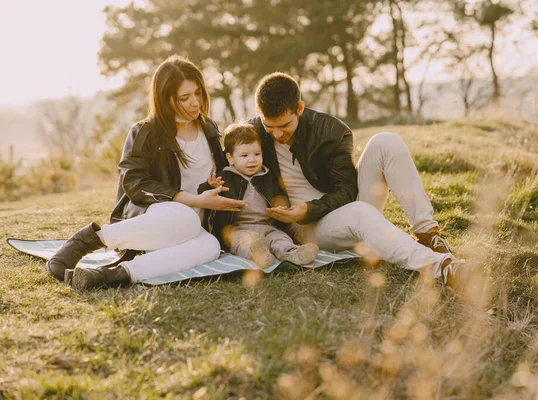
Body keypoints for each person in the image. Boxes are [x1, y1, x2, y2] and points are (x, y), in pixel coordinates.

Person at [248, 72, 467, 288]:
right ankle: (443, 267)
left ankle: (427, 234)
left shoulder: (331, 131)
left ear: (300, 109)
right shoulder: (253, 133)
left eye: (284, 126)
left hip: (336, 207)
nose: (277, 134)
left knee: (386, 141)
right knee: (361, 212)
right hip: (303, 228)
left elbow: (347, 189)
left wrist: (309, 208)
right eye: (270, 127)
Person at [46, 55, 247, 290]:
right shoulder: (145, 132)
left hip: (189, 231)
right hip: (152, 221)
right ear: (165, 99)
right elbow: (133, 182)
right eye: (185, 97)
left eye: (198, 93)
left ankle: (111, 276)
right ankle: (90, 240)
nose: (195, 102)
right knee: (186, 217)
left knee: (211, 246)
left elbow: (219, 174)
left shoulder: (209, 129)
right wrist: (195, 200)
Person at [199, 122, 319, 268]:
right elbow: (203, 196)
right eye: (244, 155)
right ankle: (257, 254)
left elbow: (279, 195)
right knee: (242, 241)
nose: (252, 159)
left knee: (279, 238)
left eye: (257, 154)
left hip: (266, 226)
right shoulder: (224, 178)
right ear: (230, 158)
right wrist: (210, 187)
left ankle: (292, 252)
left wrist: (282, 206)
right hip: (237, 229)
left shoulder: (268, 176)